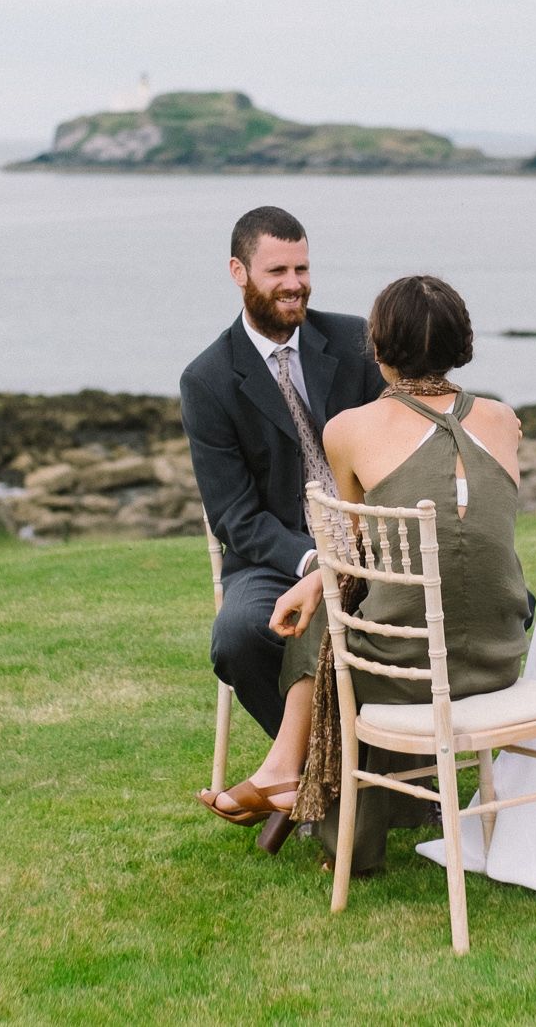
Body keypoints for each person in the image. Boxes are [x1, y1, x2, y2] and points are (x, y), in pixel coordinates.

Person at [205, 273, 534, 872]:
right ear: (463, 343)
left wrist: (313, 585)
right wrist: (315, 582)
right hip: (500, 655)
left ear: (378, 350)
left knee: (331, 616)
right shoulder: (504, 420)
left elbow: (350, 552)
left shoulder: (349, 430)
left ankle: (291, 775)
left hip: (408, 671)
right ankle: (286, 773)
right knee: (328, 599)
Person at [181, 206, 384, 828]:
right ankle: (335, 771)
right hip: (275, 557)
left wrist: (354, 548)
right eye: (277, 270)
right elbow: (235, 517)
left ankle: (325, 775)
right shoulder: (208, 379)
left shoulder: (356, 343)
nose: (295, 282)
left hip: (373, 539)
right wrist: (312, 563)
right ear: (239, 272)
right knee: (239, 634)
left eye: (302, 267)